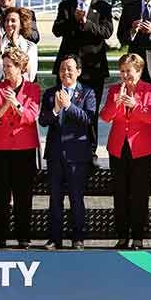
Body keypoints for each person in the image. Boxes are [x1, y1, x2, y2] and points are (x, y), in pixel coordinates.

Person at [38, 55, 97, 250]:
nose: (66, 73)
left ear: (79, 71)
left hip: (77, 155)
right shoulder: (50, 93)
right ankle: (55, 238)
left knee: (76, 197)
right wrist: (55, 110)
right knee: (55, 198)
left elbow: (88, 119)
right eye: (62, 69)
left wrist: (69, 107)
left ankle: (78, 237)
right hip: (55, 154)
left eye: (70, 68)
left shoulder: (87, 93)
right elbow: (43, 120)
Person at [51, 0, 113, 156]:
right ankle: (63, 147)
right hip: (67, 70)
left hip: (94, 69)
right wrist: (74, 20)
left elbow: (106, 32)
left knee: (89, 113)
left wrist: (86, 22)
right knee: (64, 108)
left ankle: (91, 151)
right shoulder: (65, 6)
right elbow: (56, 30)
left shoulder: (102, 7)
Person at [101, 53, 151, 250]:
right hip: (118, 148)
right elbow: (105, 117)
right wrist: (116, 104)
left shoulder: (150, 90)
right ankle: (122, 235)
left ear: (139, 71)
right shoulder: (114, 90)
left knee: (140, 194)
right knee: (121, 194)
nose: (125, 75)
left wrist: (135, 105)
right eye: (122, 71)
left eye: (129, 71)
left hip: (142, 150)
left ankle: (138, 236)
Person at [0, 48, 40, 249]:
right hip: (0, 148)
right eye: (4, 65)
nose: (5, 70)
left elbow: (30, 117)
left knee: (23, 195)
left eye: (9, 66)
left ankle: (23, 236)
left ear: (20, 68)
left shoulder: (33, 89)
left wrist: (16, 104)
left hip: (24, 148)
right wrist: (5, 106)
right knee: (0, 195)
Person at [0, 7, 39, 83]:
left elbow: (28, 72)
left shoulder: (30, 47)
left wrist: (15, 44)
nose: (9, 24)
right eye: (7, 21)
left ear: (21, 24)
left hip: (21, 90)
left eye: (13, 21)